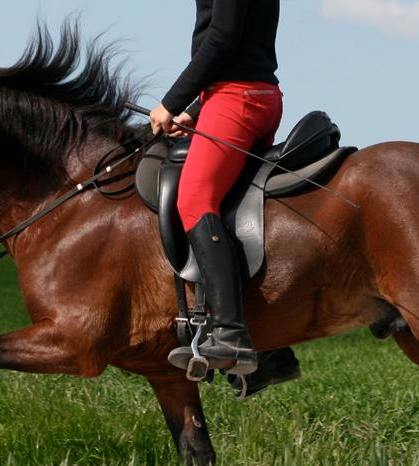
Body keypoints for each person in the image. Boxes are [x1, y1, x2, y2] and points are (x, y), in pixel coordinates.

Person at [149, 0, 283, 375]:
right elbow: (243, 42)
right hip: (253, 95)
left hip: (236, 98)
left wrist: (171, 102)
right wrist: (195, 107)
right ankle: (271, 349)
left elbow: (222, 36)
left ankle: (230, 334)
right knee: (234, 208)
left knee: (194, 201)